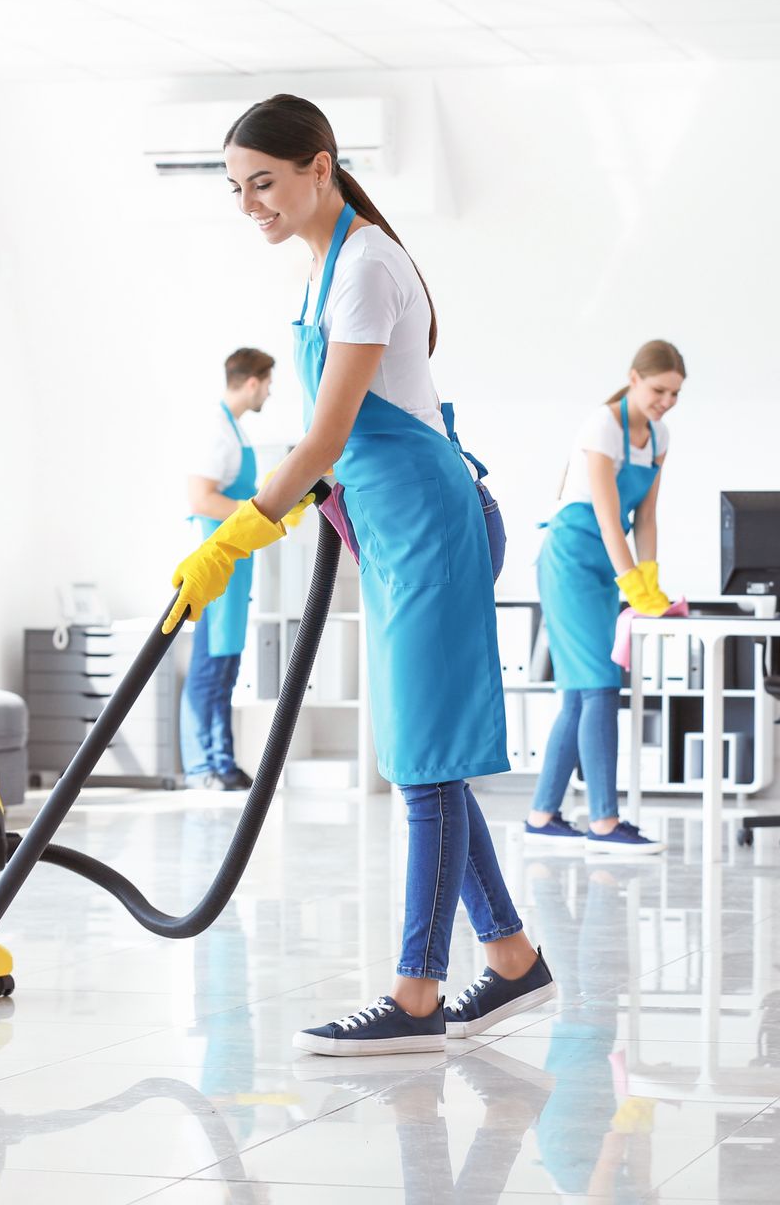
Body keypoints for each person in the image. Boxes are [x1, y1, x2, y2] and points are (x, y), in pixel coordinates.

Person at [164, 93, 554, 1056]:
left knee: (421, 765)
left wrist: (235, 537)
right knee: (428, 757)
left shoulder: (368, 265)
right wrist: (302, 504)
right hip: (388, 525)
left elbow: (331, 432)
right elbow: (331, 439)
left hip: (429, 523)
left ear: (320, 166)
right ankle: (511, 963)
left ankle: (416, 998)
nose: (250, 203)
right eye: (237, 188)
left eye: (264, 182)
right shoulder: (321, 270)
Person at [527, 341, 687, 854]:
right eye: (659, 389)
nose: (666, 400)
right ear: (634, 378)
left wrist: (651, 576)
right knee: (598, 685)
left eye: (676, 393)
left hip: (607, 564)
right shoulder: (602, 425)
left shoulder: (658, 436)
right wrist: (631, 584)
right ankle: (603, 821)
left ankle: (543, 814)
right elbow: (603, 512)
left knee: (580, 691)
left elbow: (646, 516)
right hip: (573, 558)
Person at [179, 348, 275, 791]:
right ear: (252, 381)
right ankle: (202, 767)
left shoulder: (235, 430)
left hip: (236, 564)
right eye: (268, 382)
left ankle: (222, 761)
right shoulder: (216, 431)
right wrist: (253, 514)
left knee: (226, 665)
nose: (270, 391)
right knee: (209, 663)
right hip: (215, 560)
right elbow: (201, 499)